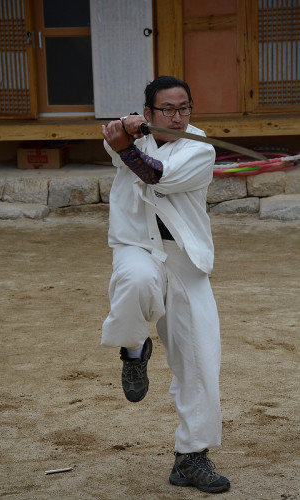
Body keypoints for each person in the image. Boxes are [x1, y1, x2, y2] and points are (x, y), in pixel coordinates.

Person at [101, 76, 230, 494]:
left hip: (185, 259)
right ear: (151, 111)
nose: (177, 116)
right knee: (135, 280)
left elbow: (155, 174)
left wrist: (126, 143)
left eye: (184, 108)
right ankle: (135, 352)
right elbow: (113, 142)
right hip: (137, 247)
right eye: (167, 110)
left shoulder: (200, 150)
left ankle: (191, 457)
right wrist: (126, 129)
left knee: (201, 357)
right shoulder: (136, 138)